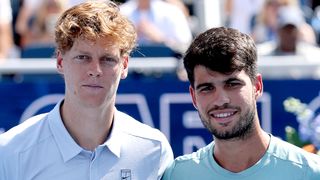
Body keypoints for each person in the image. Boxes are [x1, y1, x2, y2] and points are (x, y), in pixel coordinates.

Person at [0, 1, 173, 179]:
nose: (95, 70)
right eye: (82, 57)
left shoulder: (154, 150)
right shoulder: (11, 151)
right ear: (60, 61)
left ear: (125, 65)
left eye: (107, 59)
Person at [162, 27, 320, 180]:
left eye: (232, 84)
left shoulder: (310, 172)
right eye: (207, 88)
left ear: (257, 86)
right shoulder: (178, 174)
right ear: (194, 97)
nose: (221, 100)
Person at [120, 0, 192, 53]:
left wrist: (161, 40)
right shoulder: (121, 12)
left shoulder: (172, 12)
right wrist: (132, 37)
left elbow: (185, 45)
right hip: (130, 68)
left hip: (167, 69)